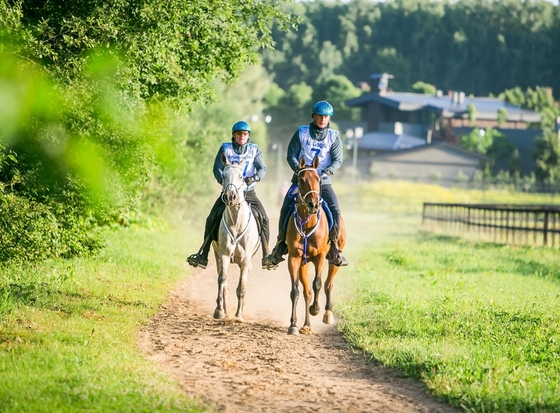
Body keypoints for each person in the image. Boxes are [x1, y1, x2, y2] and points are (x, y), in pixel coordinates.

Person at [264, 100, 348, 267]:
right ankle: (281, 245)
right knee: (286, 207)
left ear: (329, 118)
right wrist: (299, 170)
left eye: (326, 116)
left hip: (323, 182)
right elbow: (291, 154)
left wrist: (325, 172)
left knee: (335, 209)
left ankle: (334, 248)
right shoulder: (301, 133)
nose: (323, 119)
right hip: (301, 181)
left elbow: (338, 160)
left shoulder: (334, 136)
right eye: (320, 116)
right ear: (313, 116)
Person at [187, 121, 276, 270]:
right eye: (239, 134)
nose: (242, 136)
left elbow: (262, 168)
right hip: (228, 193)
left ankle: (266, 255)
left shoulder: (254, 150)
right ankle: (203, 255)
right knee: (211, 218)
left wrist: (254, 178)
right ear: (233, 135)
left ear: (248, 136)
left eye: (245, 134)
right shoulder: (225, 148)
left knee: (264, 219)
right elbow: (217, 167)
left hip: (248, 192)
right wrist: (224, 181)